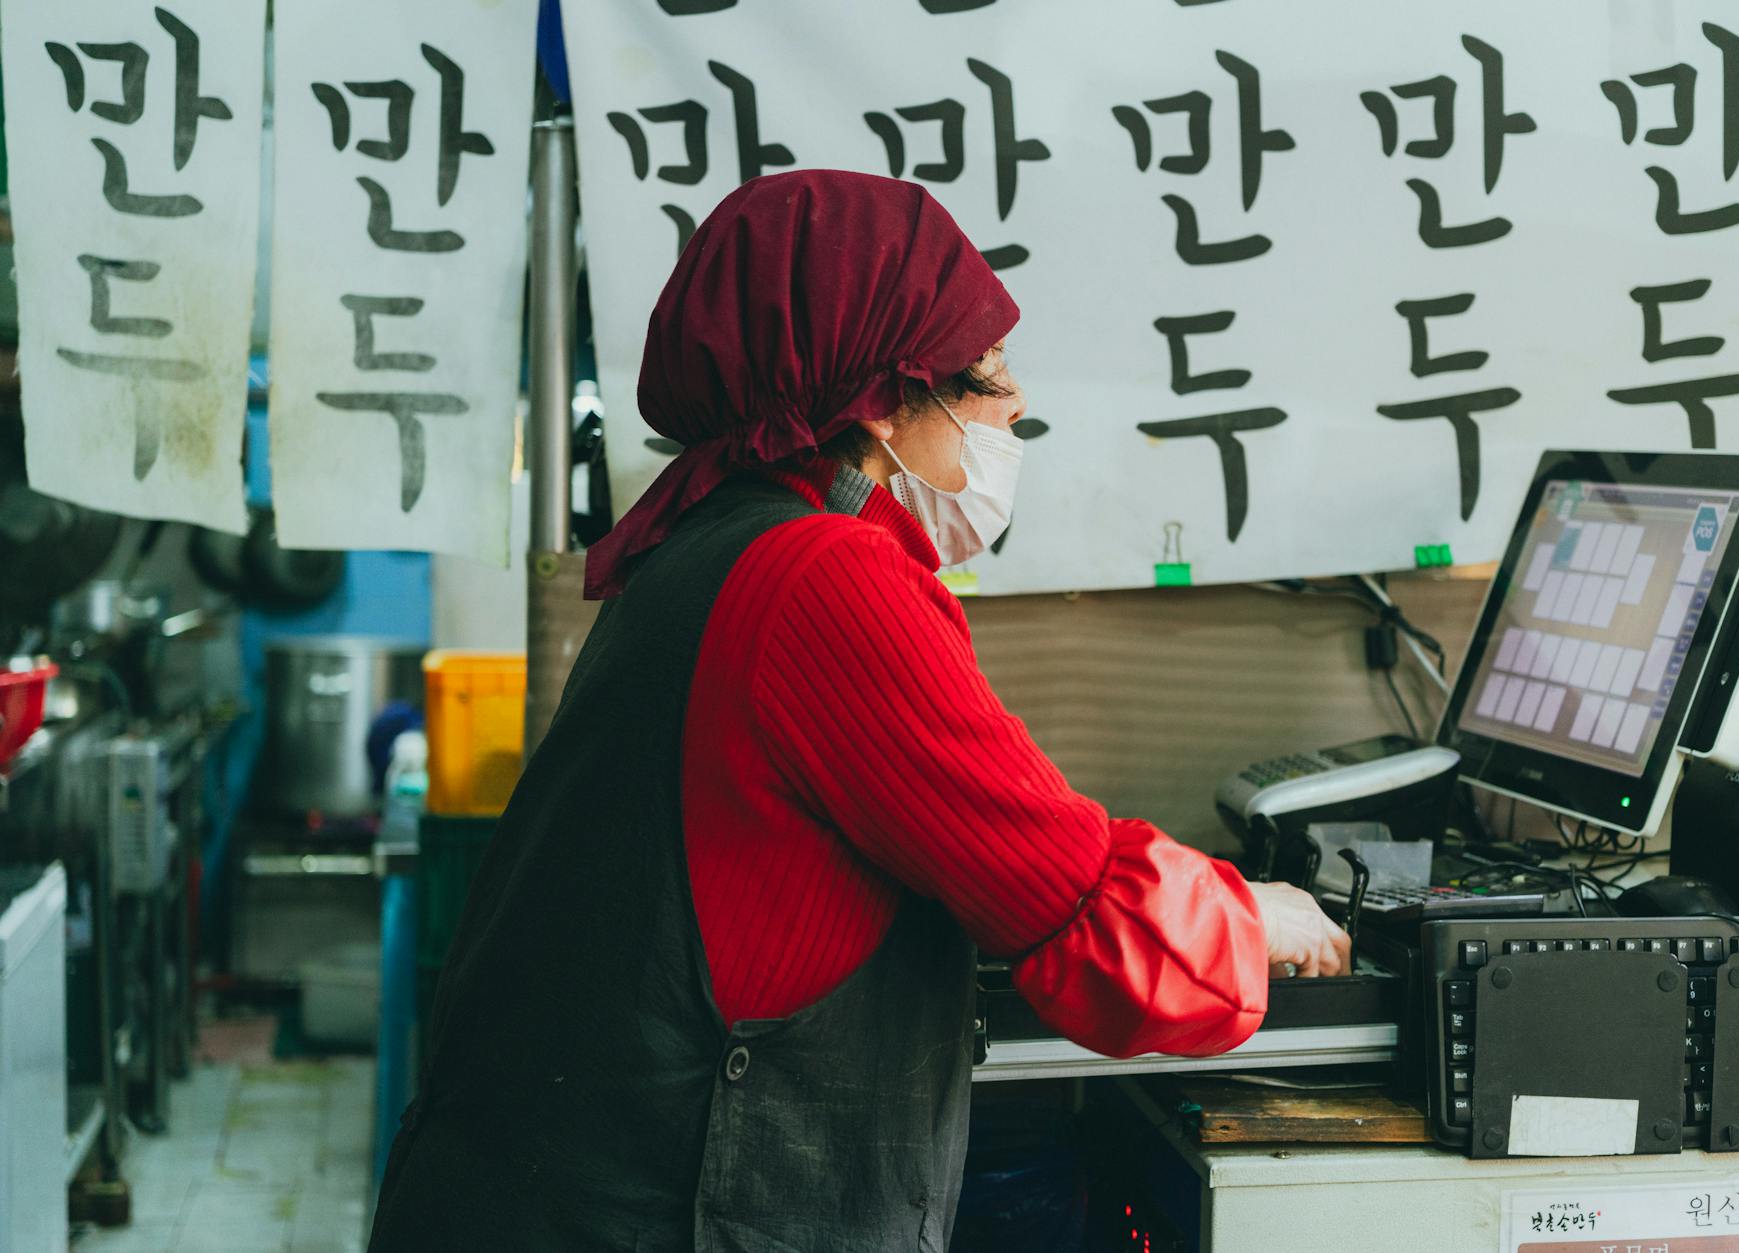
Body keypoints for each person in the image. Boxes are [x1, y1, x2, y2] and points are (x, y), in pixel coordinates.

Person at [367, 169, 1349, 1253]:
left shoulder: (709, 539)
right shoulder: (824, 579)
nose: (1013, 403)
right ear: (880, 404)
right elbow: (1084, 911)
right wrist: (1253, 919)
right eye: (983, 375)